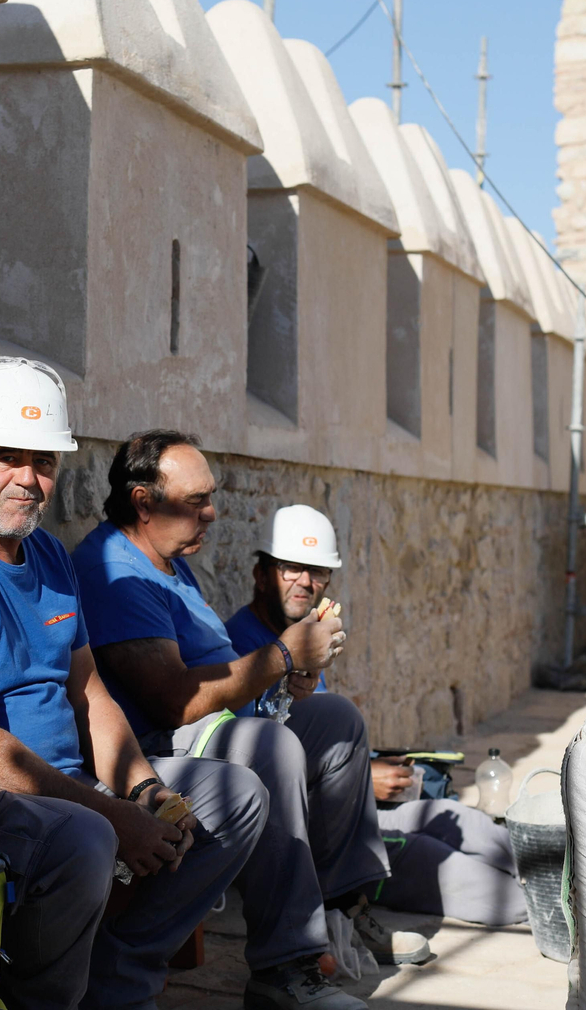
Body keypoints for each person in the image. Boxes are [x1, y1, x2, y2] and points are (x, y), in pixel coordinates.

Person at [0, 360, 268, 1010]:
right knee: (86, 838)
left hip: (62, 791)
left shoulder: (43, 552)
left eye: (43, 461)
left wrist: (146, 789)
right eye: (4, 457)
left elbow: (90, 695)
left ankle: (116, 982)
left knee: (232, 796)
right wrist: (110, 814)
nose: (27, 479)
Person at [72, 432, 428, 1010]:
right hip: (157, 748)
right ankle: (285, 967)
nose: (212, 513)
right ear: (142, 502)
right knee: (271, 747)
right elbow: (171, 700)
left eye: (211, 497)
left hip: (211, 727)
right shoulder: (115, 570)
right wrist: (283, 655)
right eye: (197, 501)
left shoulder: (171, 562)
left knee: (335, 719)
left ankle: (343, 911)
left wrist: (288, 678)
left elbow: (222, 673)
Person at [228, 505, 527, 928]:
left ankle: (580, 879)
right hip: (313, 834)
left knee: (466, 822)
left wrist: (365, 772)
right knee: (503, 897)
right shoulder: (239, 649)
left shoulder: (309, 637)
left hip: (352, 810)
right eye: (291, 568)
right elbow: (257, 764)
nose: (305, 583)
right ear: (262, 574)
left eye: (317, 572)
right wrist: (365, 778)